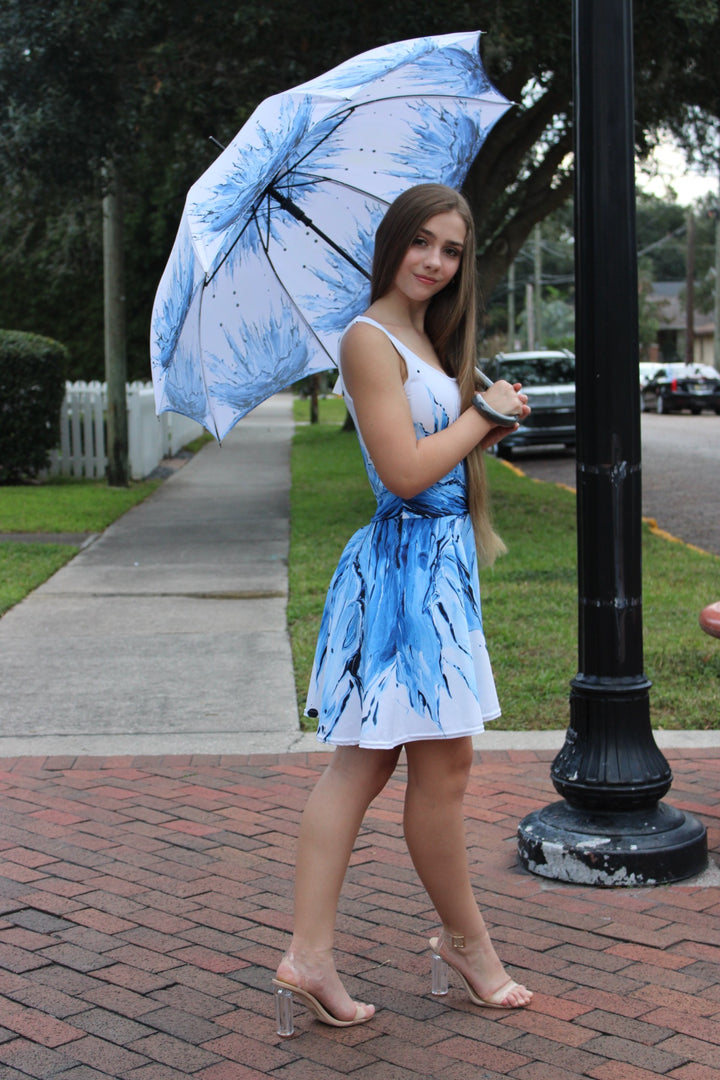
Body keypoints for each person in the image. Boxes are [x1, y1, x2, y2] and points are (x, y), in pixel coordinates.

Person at [272, 183, 533, 1032]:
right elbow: (407, 471)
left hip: (439, 570)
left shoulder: (426, 338)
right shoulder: (367, 338)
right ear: (392, 245)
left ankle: (318, 954)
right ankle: (463, 946)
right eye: (421, 242)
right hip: (406, 574)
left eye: (451, 249)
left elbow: (443, 459)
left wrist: (485, 422)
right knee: (394, 766)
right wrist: (481, 417)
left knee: (392, 766)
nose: (434, 260)